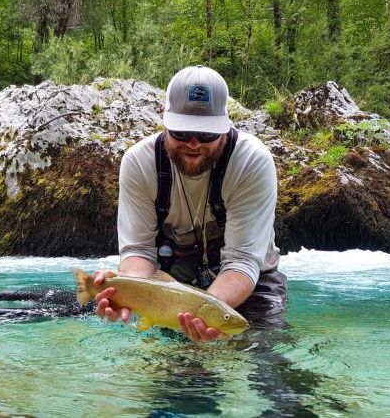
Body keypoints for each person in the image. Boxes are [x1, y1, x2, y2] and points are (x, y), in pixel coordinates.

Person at [93, 65, 287, 342]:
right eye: (181, 133)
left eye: (207, 134)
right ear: (165, 123)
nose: (194, 144)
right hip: (170, 288)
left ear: (225, 126)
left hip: (249, 281)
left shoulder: (251, 161)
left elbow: (242, 261)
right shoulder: (139, 162)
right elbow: (138, 252)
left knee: (267, 363)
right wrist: (128, 293)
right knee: (176, 375)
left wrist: (205, 314)